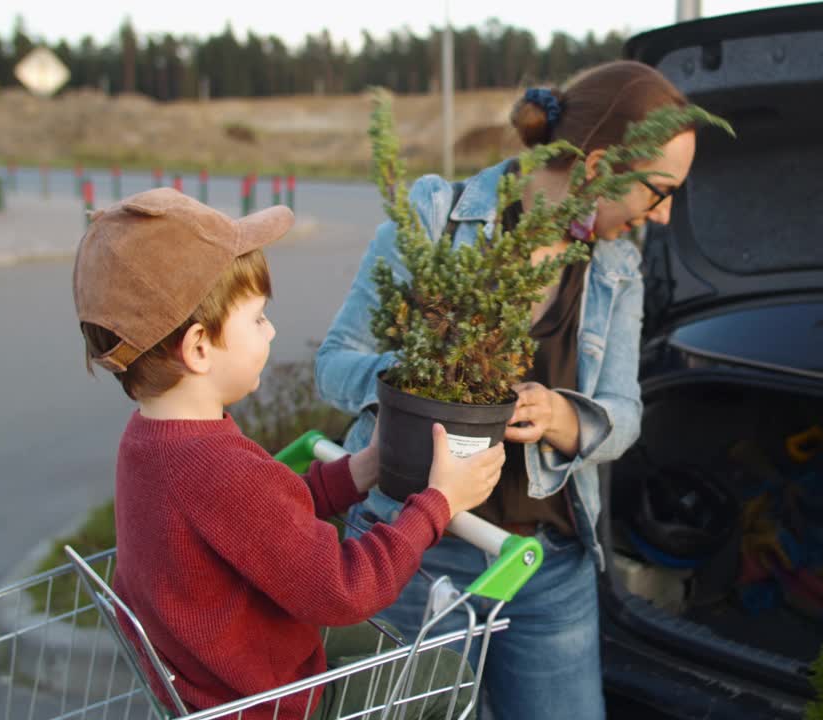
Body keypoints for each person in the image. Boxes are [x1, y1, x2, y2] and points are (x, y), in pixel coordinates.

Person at [316, 60, 700, 719]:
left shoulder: (613, 265)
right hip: (409, 559)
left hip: (544, 571)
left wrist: (561, 417)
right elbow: (335, 366)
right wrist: (432, 371)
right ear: (596, 166)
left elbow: (625, 415)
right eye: (658, 192)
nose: (661, 217)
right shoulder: (435, 217)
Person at [71, 188, 504, 719]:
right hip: (269, 704)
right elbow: (346, 589)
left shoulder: (148, 441)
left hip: (218, 681)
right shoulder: (218, 468)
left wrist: (356, 472)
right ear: (199, 347)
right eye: (257, 319)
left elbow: (262, 521)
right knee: (446, 679)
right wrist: (439, 501)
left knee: (374, 650)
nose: (272, 329)